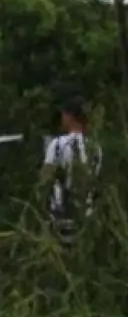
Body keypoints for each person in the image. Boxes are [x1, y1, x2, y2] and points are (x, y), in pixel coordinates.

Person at [41, 97, 103, 244]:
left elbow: (45, 178)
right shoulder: (95, 148)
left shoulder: (57, 145)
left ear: (70, 116)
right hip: (86, 214)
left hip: (59, 213)